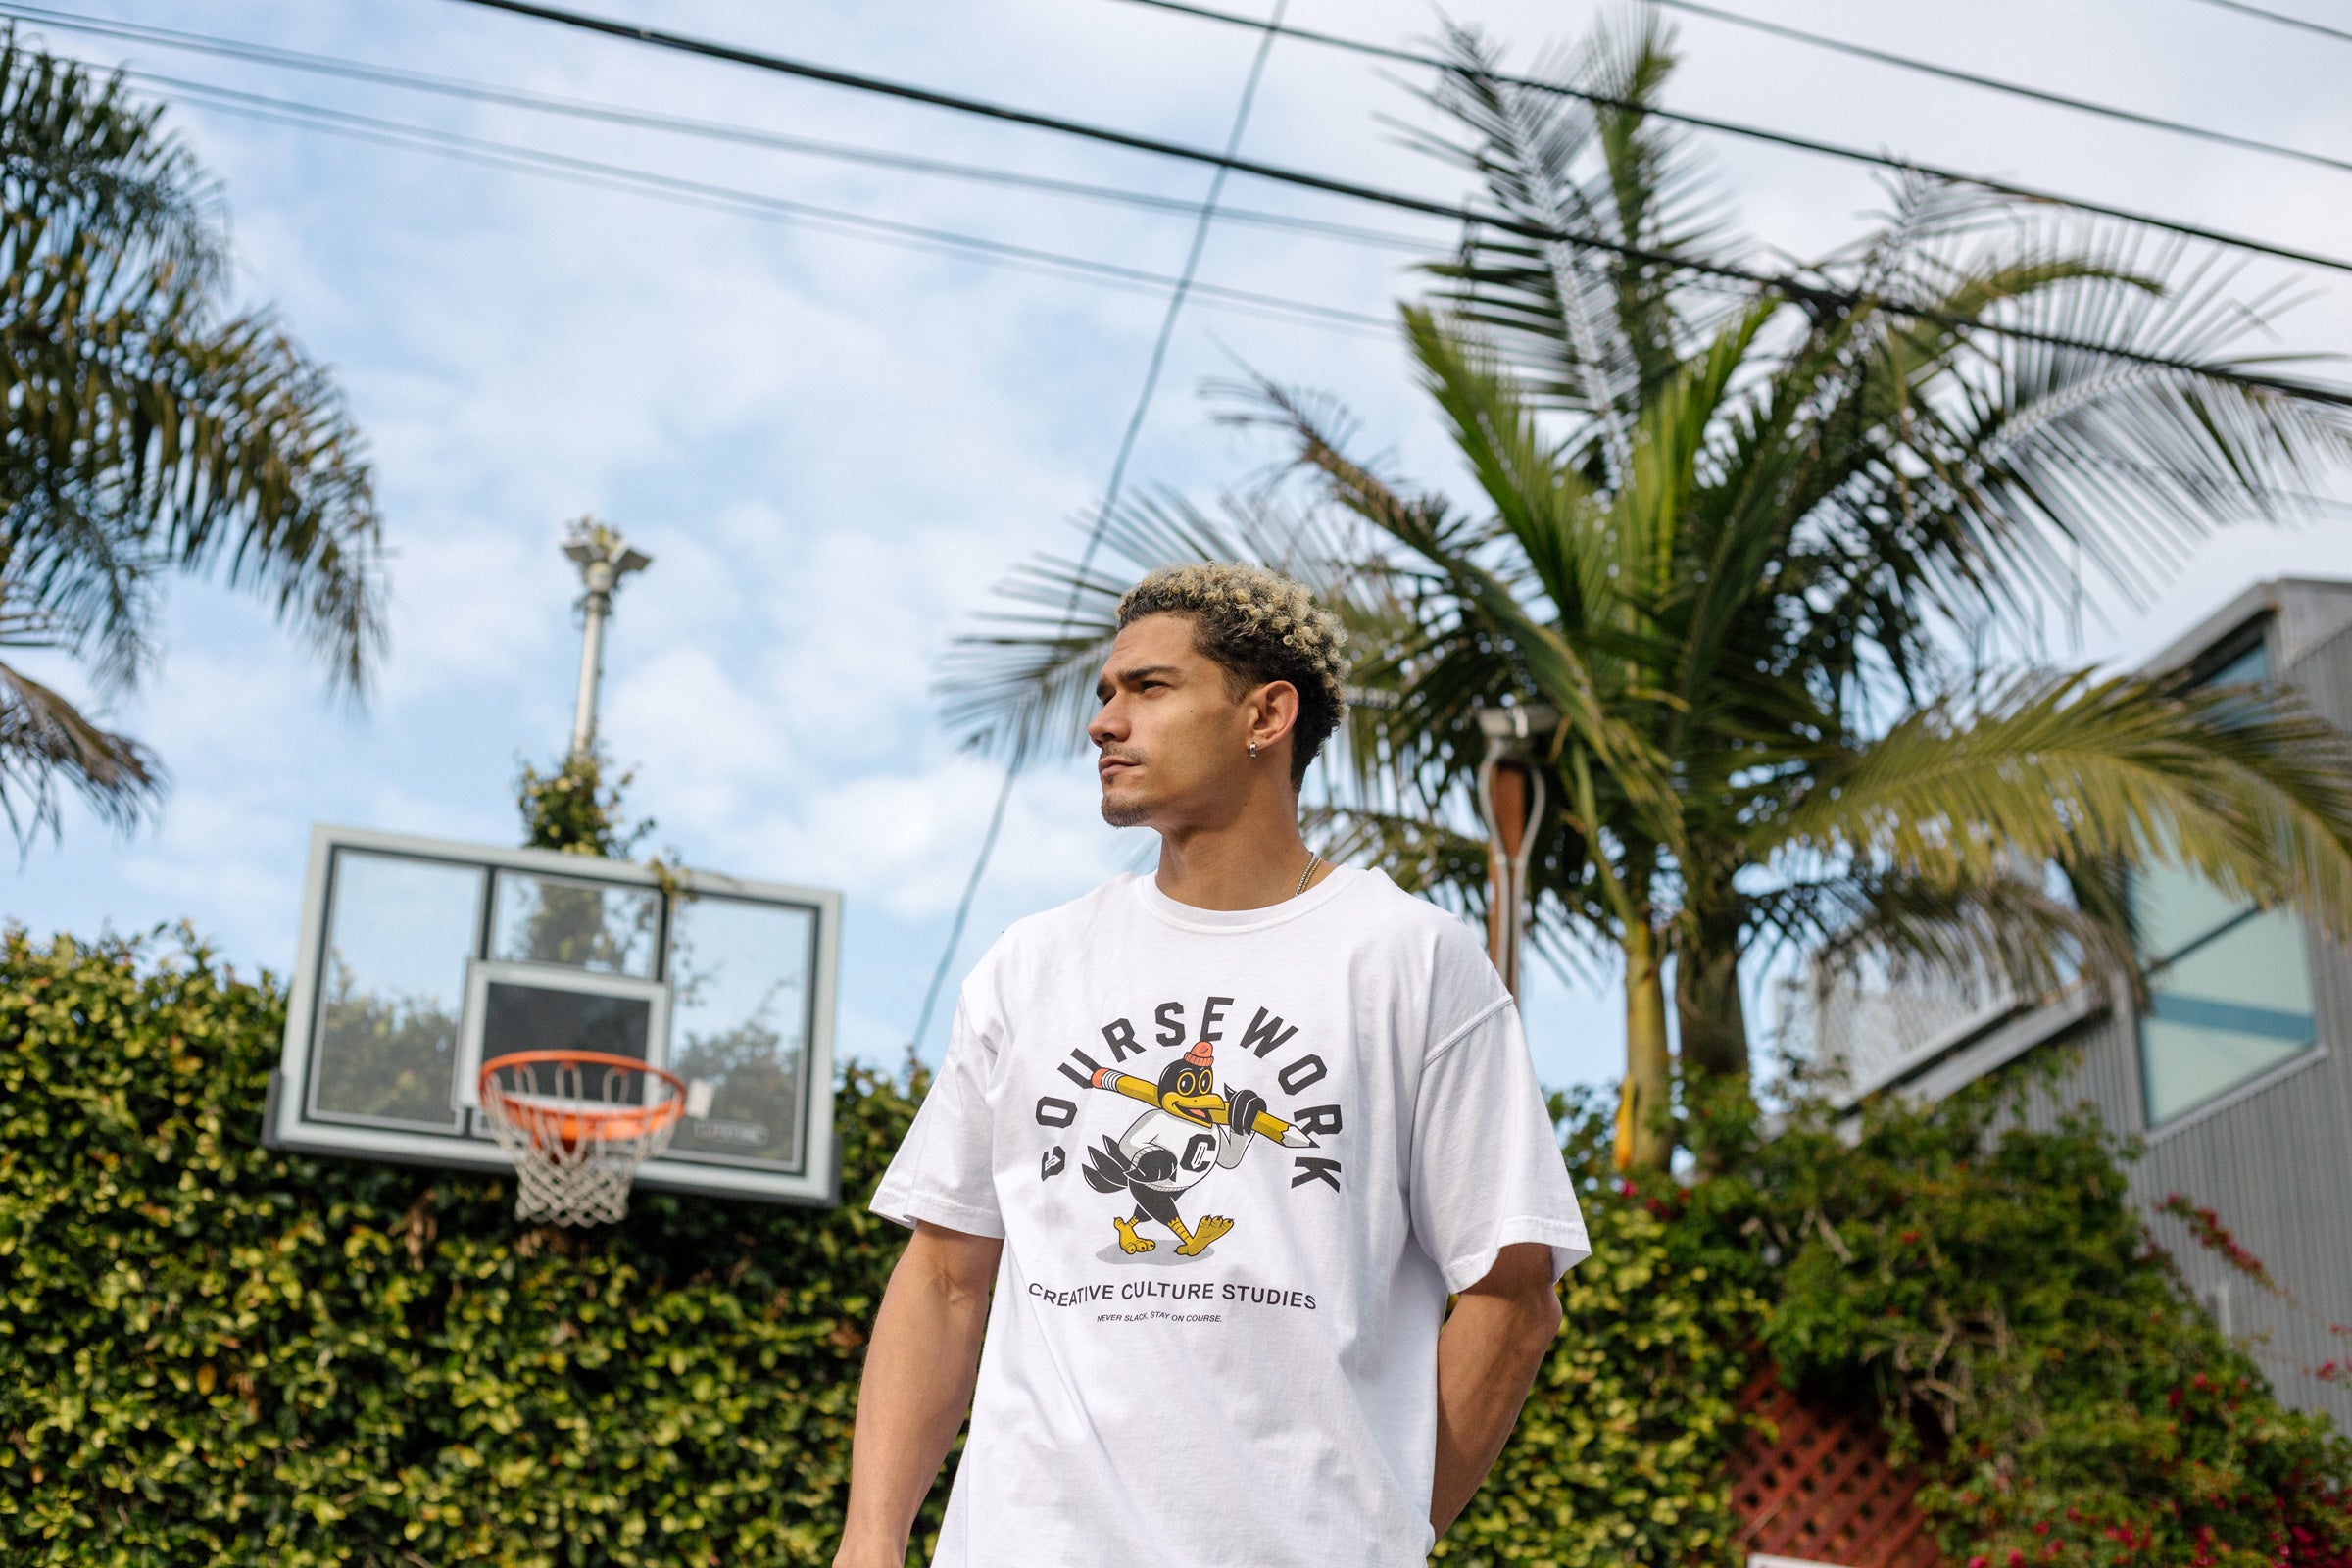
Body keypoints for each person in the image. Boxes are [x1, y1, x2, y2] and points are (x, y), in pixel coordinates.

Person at [837, 564, 1589, 1568]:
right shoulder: (1032, 966)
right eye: (1104, 694)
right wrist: (871, 1540)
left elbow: (1512, 1293)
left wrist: (1385, 1532)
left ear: (1266, 714)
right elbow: (942, 1276)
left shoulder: (1409, 959)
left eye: (1148, 688)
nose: (1105, 722)